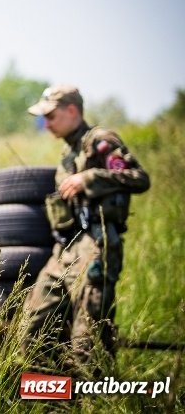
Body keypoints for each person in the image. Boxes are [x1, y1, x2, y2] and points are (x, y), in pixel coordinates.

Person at [21, 85, 150, 376]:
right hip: (66, 248)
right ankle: (49, 397)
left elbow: (139, 178)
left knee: (88, 340)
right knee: (33, 326)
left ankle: (94, 397)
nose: (46, 124)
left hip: (96, 245)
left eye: (51, 116)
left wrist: (89, 179)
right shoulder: (70, 150)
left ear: (72, 110)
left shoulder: (101, 141)